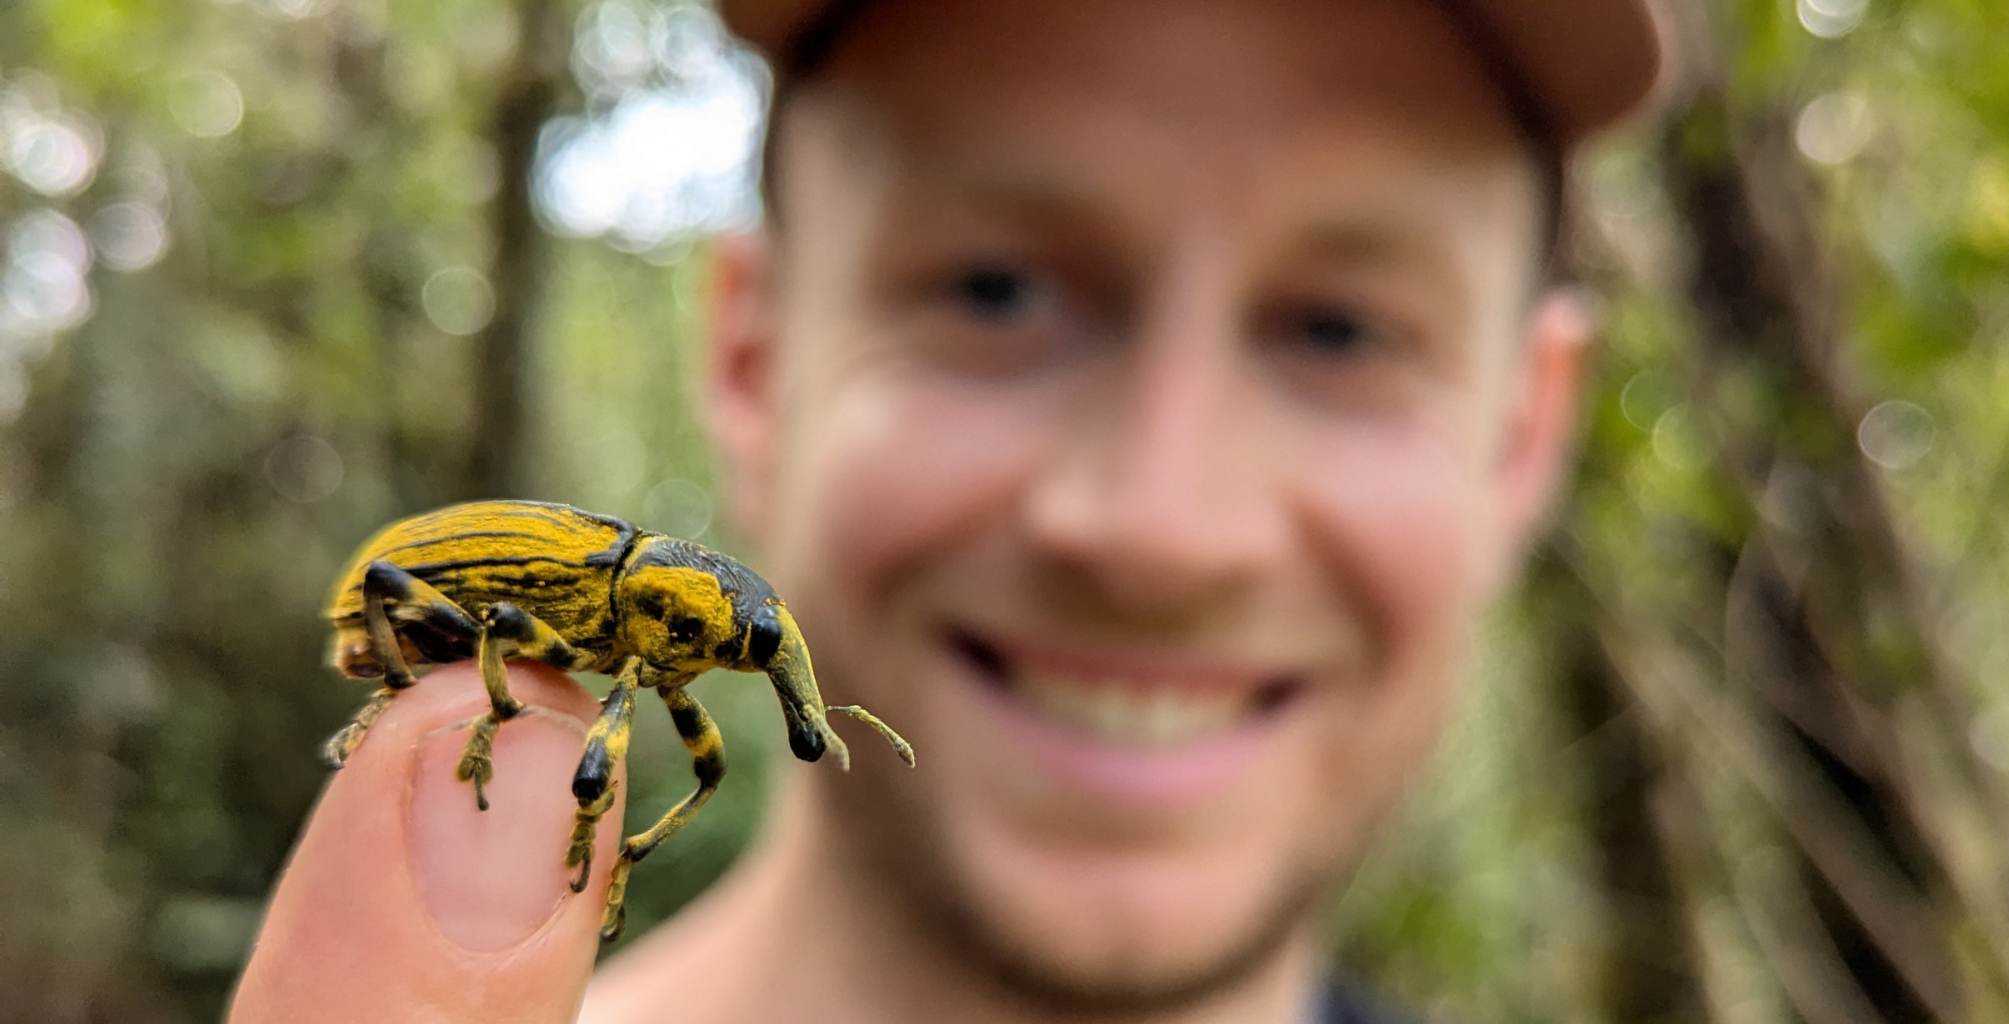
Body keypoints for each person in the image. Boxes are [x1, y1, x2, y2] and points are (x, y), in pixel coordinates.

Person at [228, 0, 1665, 1020]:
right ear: (752, 361)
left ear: (1525, 438)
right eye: (995, 290)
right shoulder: (584, 644)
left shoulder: (653, 655)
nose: (1160, 530)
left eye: (1343, 331)